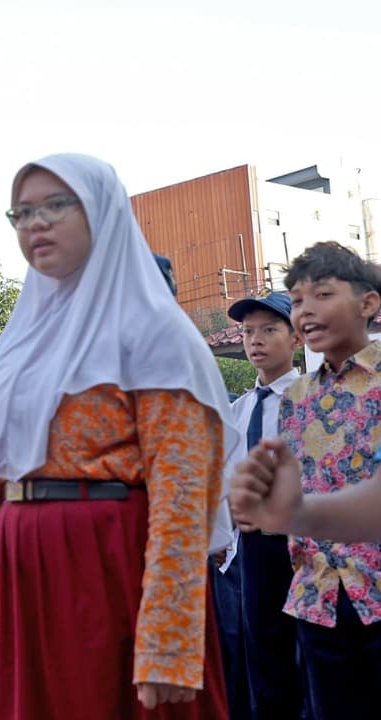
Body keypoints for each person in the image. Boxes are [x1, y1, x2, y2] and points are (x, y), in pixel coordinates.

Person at [0, 155, 235, 719]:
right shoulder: (19, 343)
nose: (36, 223)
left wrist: (169, 635)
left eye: (56, 205)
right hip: (20, 567)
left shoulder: (154, 333)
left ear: (103, 213)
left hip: (109, 563)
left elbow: (182, 495)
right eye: (23, 212)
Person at [228, 241, 381, 719]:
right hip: (316, 592)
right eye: (296, 301)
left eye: (321, 295)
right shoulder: (298, 398)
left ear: (367, 303)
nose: (306, 311)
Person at [221, 292, 304, 720]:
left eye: (269, 330)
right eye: (248, 331)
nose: (256, 340)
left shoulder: (311, 402)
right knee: (263, 658)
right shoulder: (238, 410)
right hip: (253, 549)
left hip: (304, 546)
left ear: (295, 339)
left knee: (309, 655)